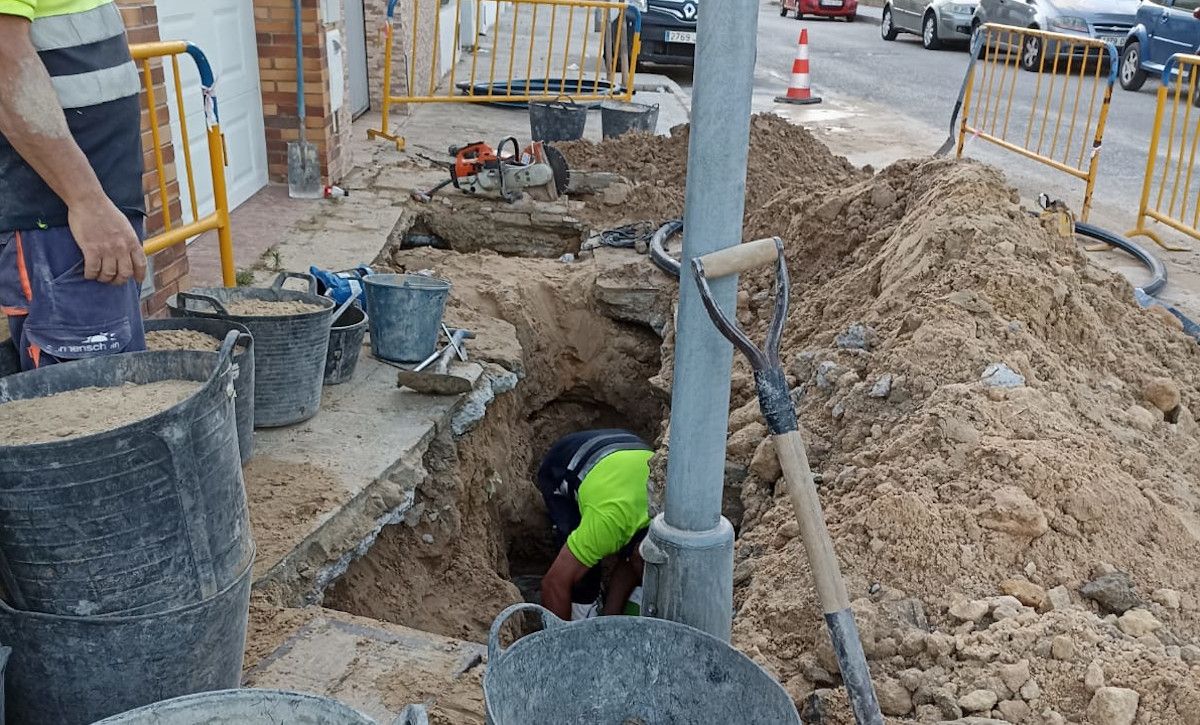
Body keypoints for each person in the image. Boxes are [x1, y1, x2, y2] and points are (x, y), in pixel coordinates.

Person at [0, 0, 147, 371]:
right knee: (96, 399)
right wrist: (87, 202)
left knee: (123, 388)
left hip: (94, 210)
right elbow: (5, 62)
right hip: (62, 219)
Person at [536, 428, 654, 621]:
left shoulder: (673, 520)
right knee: (582, 584)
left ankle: (606, 618)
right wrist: (565, 646)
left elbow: (633, 560)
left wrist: (609, 622)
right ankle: (584, 611)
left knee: (637, 563)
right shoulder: (609, 522)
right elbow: (553, 583)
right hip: (566, 461)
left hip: (626, 449)